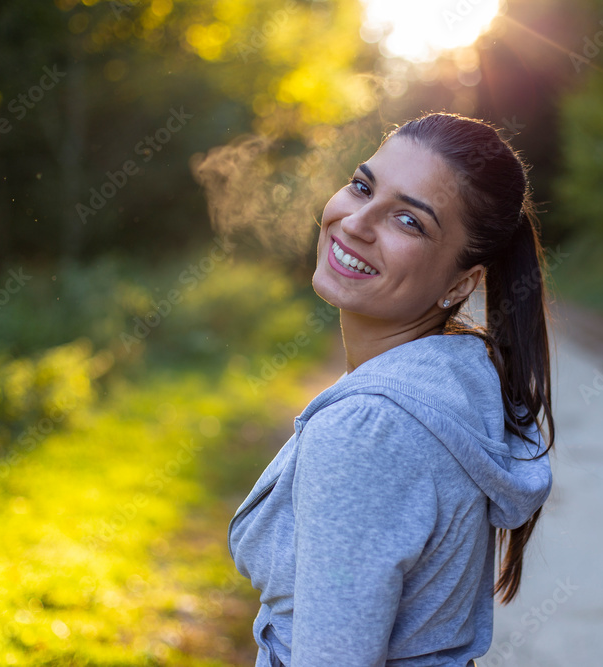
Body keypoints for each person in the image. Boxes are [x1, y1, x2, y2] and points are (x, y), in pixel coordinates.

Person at [229, 112, 556, 666]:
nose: (356, 222)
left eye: (409, 221)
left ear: (461, 283)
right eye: (362, 187)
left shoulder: (369, 429)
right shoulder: (451, 381)